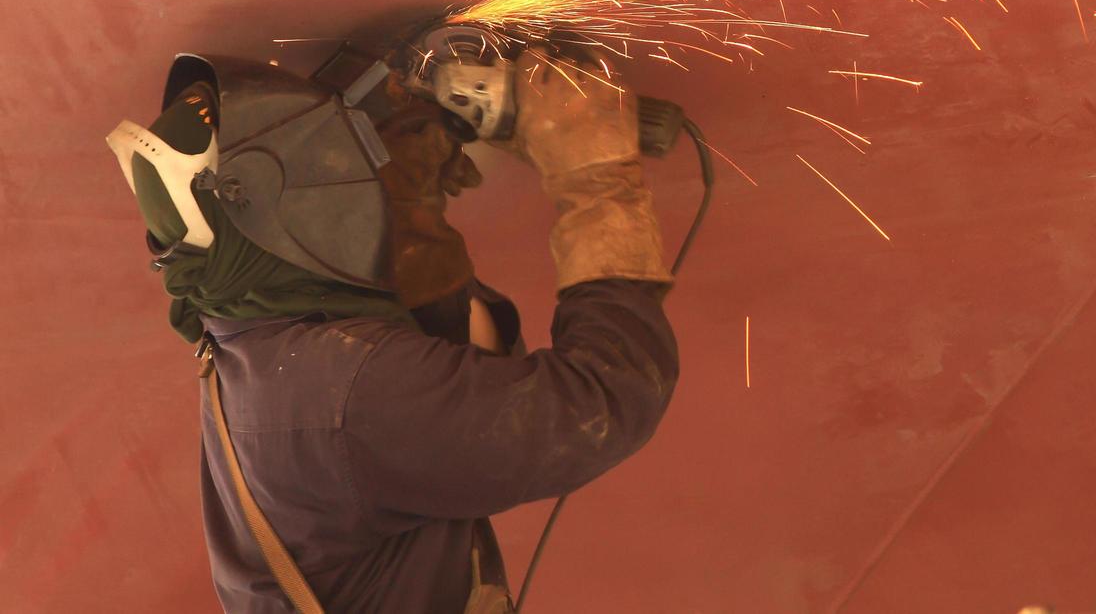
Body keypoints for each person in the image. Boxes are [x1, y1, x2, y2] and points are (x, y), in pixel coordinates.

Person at [105, 45, 679, 613]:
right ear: (285, 213)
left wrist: (406, 221)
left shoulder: (250, 334)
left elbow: (452, 386)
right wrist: (597, 176)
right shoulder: (347, 397)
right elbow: (604, 398)